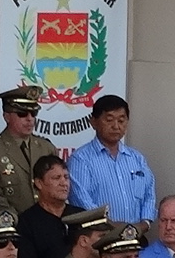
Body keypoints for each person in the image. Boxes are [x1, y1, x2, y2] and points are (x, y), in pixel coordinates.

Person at [66, 94, 156, 235]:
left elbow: (149, 194)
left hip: (135, 237)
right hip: (98, 239)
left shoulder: (137, 158)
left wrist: (144, 224)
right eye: (109, 120)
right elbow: (82, 202)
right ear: (93, 122)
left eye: (121, 120)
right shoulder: (80, 160)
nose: (116, 126)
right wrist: (113, 227)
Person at [0, 83, 59, 219]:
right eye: (22, 114)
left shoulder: (46, 148)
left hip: (48, 223)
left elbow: (57, 189)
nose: (29, 119)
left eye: (33, 113)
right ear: (7, 117)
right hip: (15, 227)